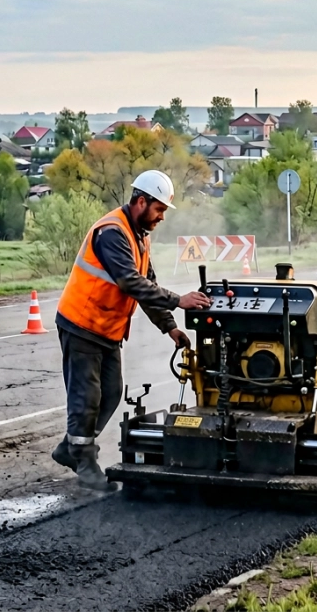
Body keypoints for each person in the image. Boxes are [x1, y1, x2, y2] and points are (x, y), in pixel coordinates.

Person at [51, 170, 211, 491]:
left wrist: (170, 327)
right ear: (141, 202)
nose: (161, 217)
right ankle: (84, 460)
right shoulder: (112, 233)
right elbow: (130, 282)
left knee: (111, 392)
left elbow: (146, 287)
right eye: (159, 210)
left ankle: (70, 448)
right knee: (88, 396)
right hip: (82, 324)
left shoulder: (139, 236)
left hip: (106, 330)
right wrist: (180, 300)